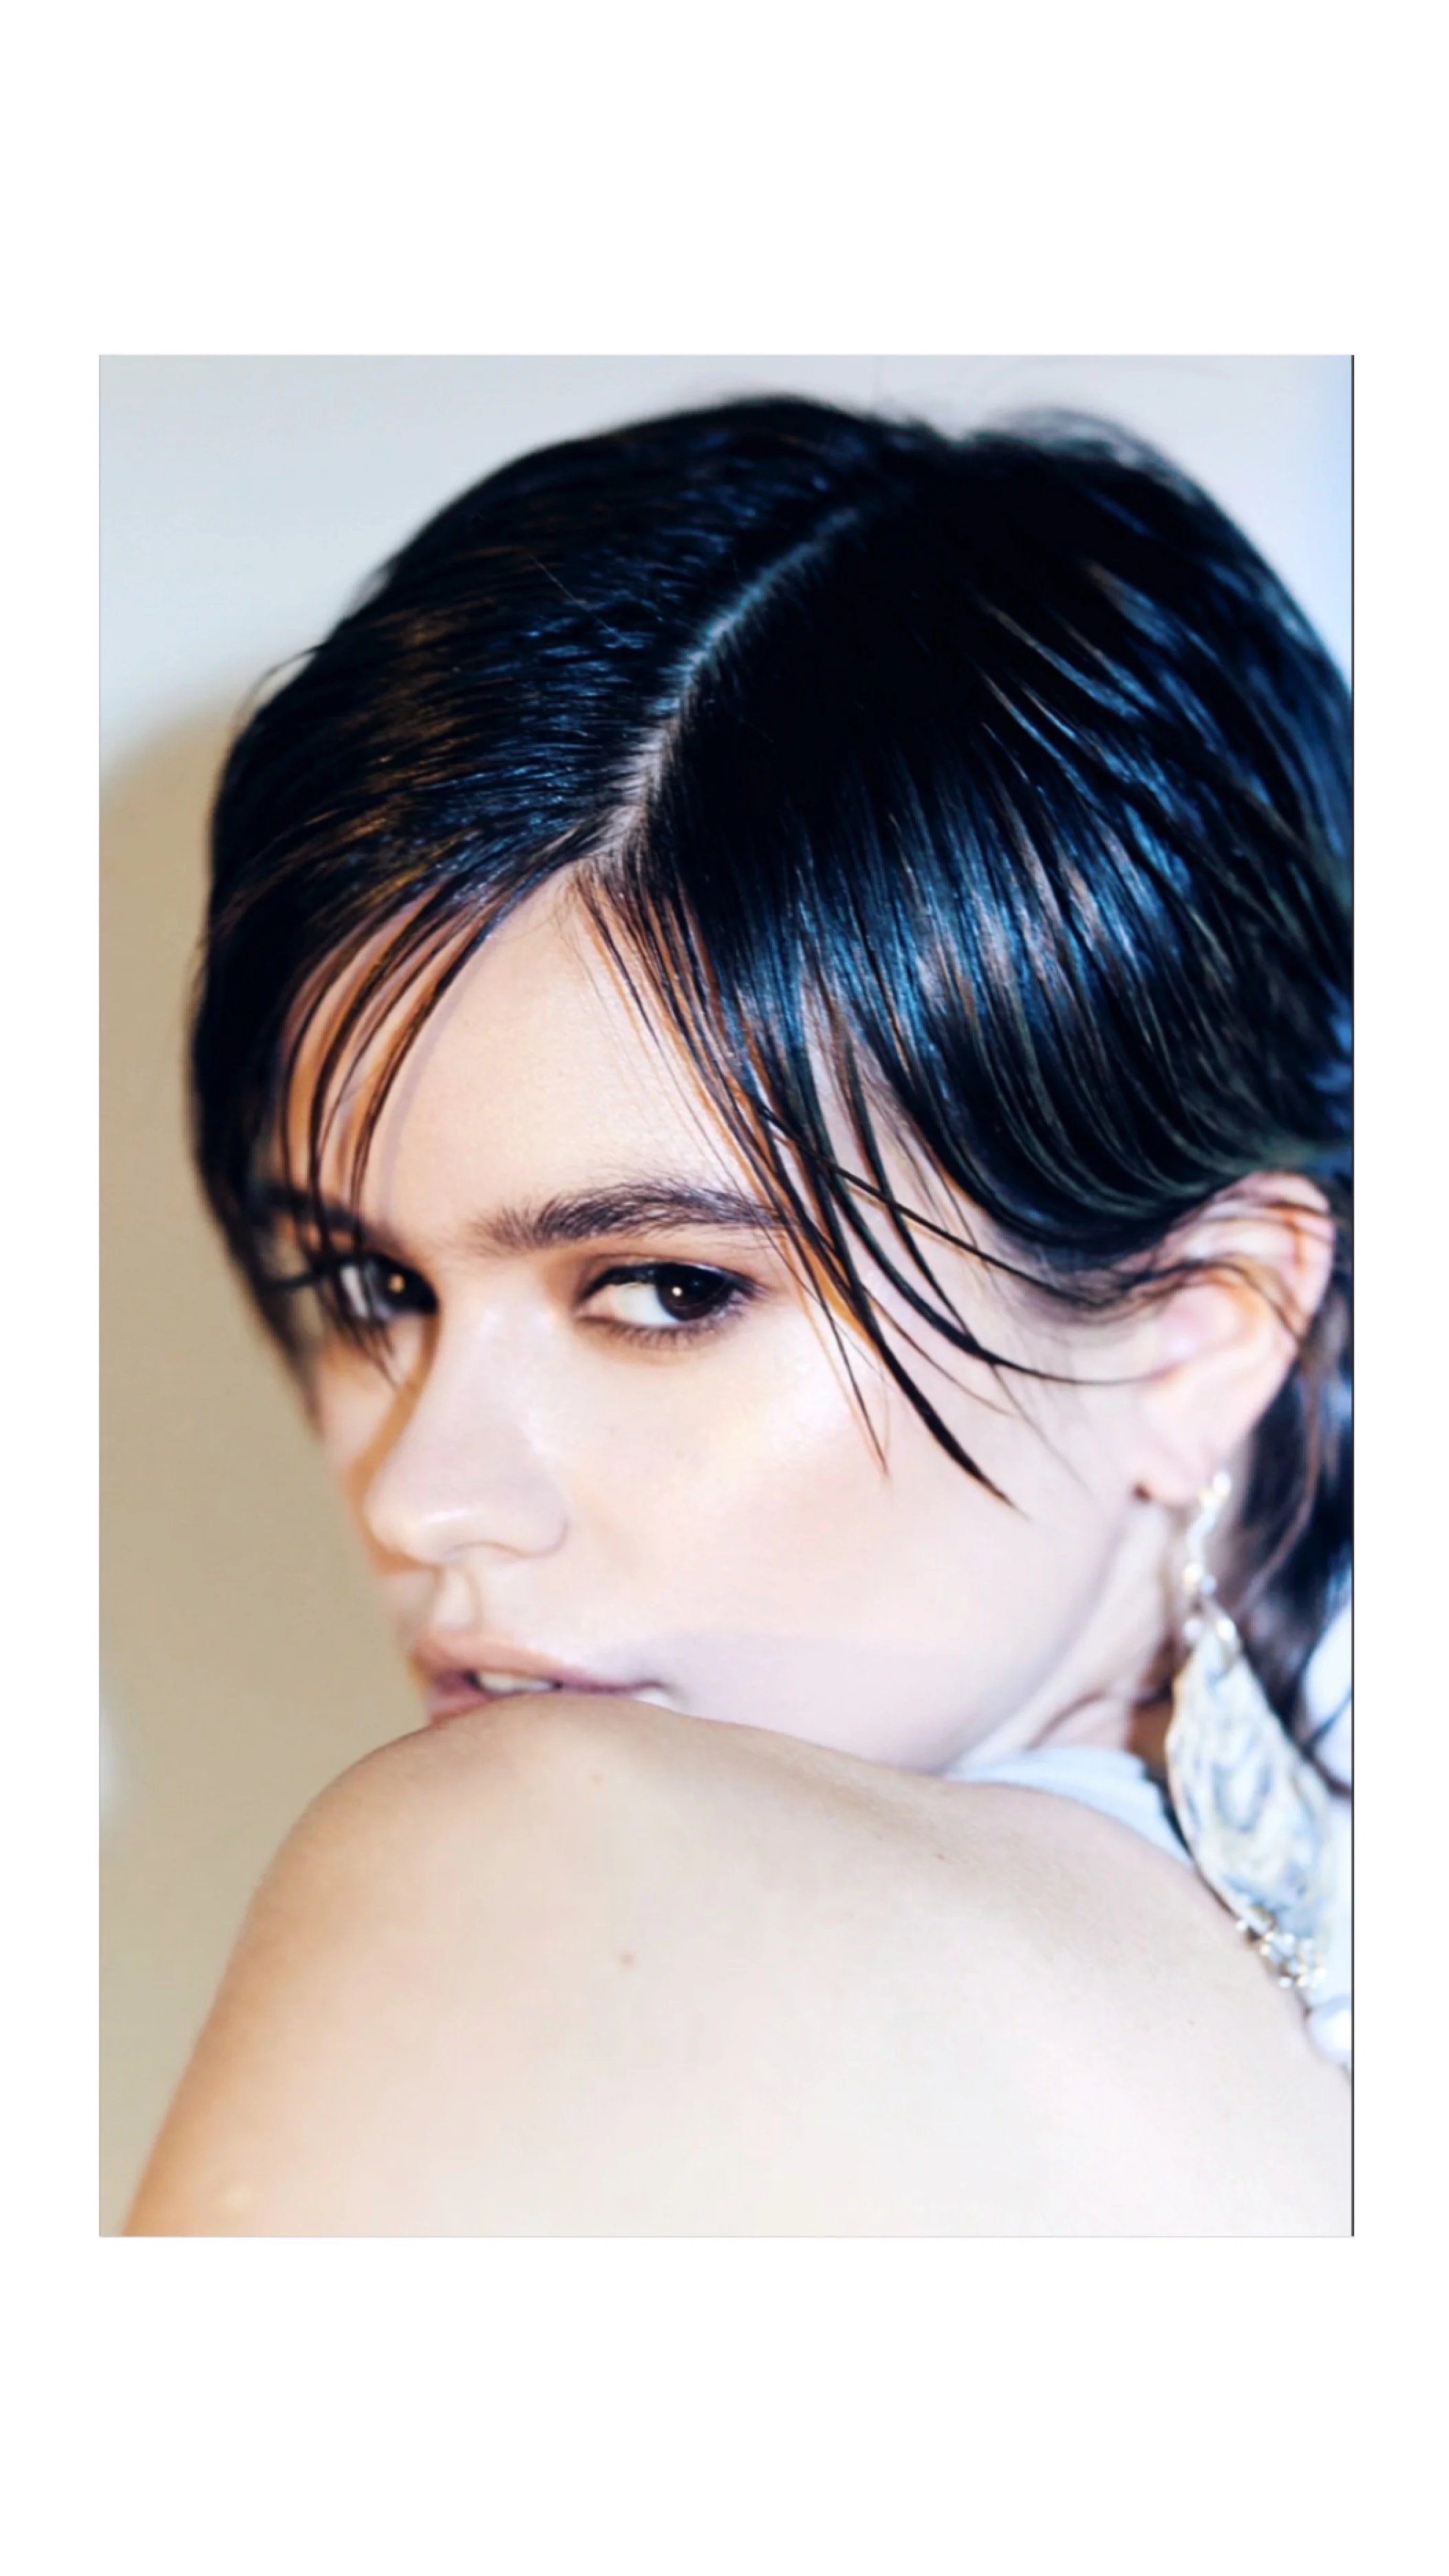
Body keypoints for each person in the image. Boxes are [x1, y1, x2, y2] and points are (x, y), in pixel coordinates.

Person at [125, 396, 1351, 2235]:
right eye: (374, 1286)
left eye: (666, 1291)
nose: (419, 1496)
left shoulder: (526, 1869)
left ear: (1207, 1325)